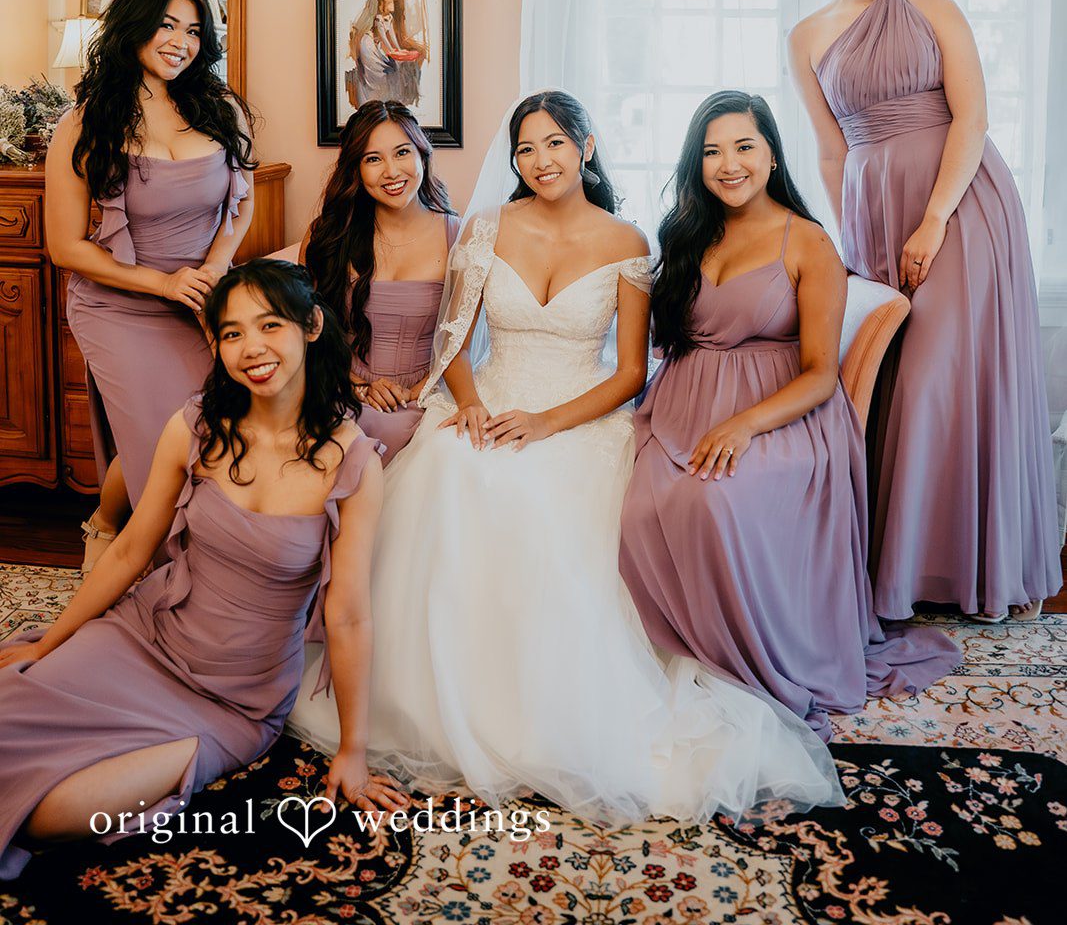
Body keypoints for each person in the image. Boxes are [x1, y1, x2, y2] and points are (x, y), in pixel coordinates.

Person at [287, 90, 842, 825]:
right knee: (455, 473)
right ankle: (443, 700)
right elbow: (452, 340)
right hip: (489, 401)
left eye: (554, 143)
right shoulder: (484, 228)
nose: (539, 160)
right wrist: (476, 405)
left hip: (579, 413)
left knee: (551, 508)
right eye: (525, 148)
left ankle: (551, 709)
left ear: (584, 147)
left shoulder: (630, 243)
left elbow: (629, 375)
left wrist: (545, 423)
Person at [0, 260, 405, 879]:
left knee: (56, 811)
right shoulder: (194, 426)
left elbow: (347, 613)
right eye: (232, 333)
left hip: (233, 699)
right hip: (147, 636)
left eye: (270, 325)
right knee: (11, 715)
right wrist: (53, 642)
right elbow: (134, 550)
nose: (252, 348)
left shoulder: (350, 462)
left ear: (312, 325)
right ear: (215, 344)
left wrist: (354, 750)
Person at [619, 92, 959, 739]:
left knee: (713, 503)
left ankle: (742, 662)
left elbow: (818, 373)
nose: (728, 164)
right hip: (681, 402)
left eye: (743, 146)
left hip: (785, 411)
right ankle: (670, 656)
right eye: (712, 151)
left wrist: (744, 424)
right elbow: (663, 340)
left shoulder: (806, 241)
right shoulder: (684, 233)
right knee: (638, 507)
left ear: (771, 154)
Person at [788, 0, 1061, 622]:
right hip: (872, 209)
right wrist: (848, 241)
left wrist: (934, 217)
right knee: (891, 377)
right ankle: (903, 576)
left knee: (939, 380)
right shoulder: (807, 36)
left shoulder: (932, 7)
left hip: (960, 202)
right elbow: (827, 149)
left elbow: (971, 117)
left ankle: (962, 574)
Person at [46, 0, 256, 568]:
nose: (180, 41)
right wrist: (162, 282)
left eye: (193, 30)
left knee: (209, 422)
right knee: (166, 428)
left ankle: (108, 519)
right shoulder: (84, 125)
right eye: (167, 24)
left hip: (202, 297)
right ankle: (148, 552)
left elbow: (242, 203)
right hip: (118, 303)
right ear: (135, 25)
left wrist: (216, 266)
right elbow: (66, 247)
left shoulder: (221, 109)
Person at [302, 100, 459, 464]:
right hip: (343, 393)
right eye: (373, 159)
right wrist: (358, 386)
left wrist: (415, 393)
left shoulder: (458, 236)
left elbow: (465, 343)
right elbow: (308, 330)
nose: (391, 171)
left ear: (422, 155)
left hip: (428, 396)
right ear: (356, 169)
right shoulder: (328, 237)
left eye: (402, 152)